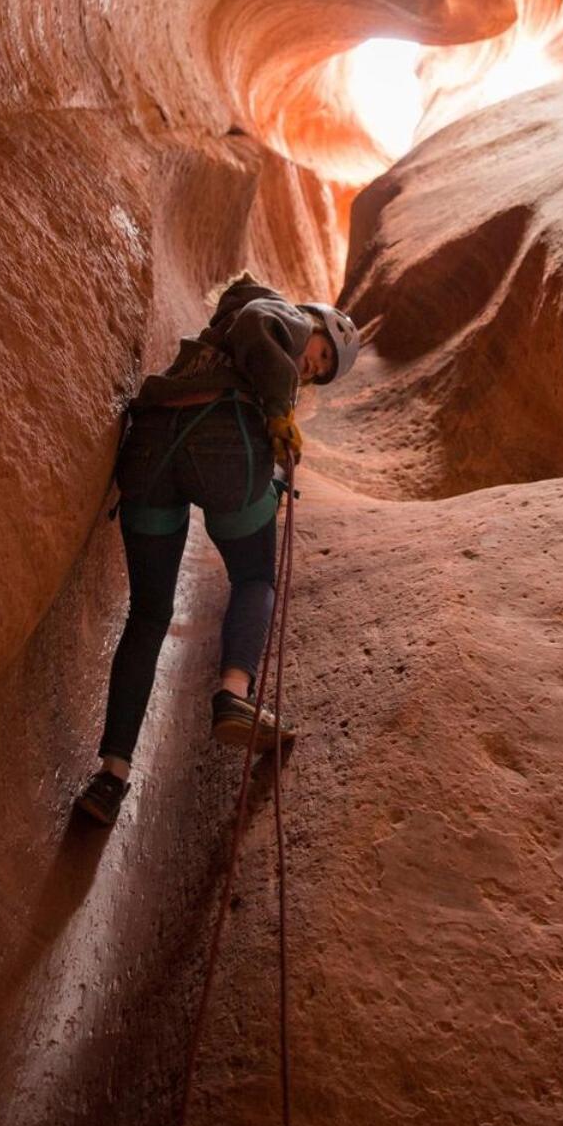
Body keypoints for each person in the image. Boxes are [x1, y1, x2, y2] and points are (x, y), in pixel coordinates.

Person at [76, 272, 361, 828]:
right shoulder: (280, 313)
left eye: (321, 371)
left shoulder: (218, 335)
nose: (313, 366)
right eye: (322, 354)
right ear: (316, 323)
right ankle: (234, 693)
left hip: (151, 451)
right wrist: (278, 411)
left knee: (149, 613)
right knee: (256, 575)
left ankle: (110, 776)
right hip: (223, 444)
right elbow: (263, 327)